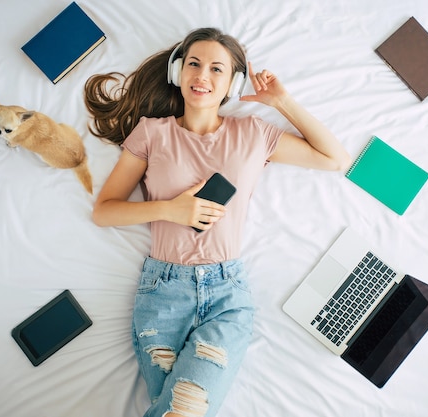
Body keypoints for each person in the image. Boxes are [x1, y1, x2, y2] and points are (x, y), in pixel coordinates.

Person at [84, 28, 351, 417]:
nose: (202, 76)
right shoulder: (152, 132)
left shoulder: (254, 133)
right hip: (164, 292)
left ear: (232, 83)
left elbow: (335, 159)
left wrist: (281, 102)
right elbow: (104, 210)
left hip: (227, 295)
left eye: (216, 69)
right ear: (178, 71)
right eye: (193, 63)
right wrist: (169, 209)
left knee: (182, 411)